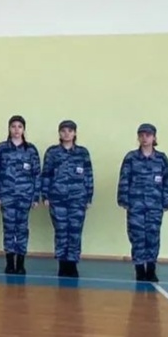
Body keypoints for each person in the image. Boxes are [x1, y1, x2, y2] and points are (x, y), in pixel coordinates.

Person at [118, 123, 168, 282]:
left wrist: (166, 202)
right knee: (137, 237)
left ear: (154, 137)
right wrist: (123, 199)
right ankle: (139, 269)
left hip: (155, 206)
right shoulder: (131, 158)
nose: (144, 138)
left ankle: (151, 268)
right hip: (135, 205)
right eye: (141, 135)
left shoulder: (161, 159)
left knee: (153, 237)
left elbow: (167, 182)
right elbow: (124, 180)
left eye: (148, 135)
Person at [41, 119, 94, 278]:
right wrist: (45, 195)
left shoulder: (82, 153)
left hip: (78, 199)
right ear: (59, 133)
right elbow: (46, 174)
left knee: (75, 232)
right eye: (63, 131)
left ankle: (72, 263)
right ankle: (62, 264)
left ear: (75, 133)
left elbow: (88, 176)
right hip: (57, 199)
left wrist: (89, 197)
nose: (66, 134)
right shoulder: (52, 152)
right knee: (61, 231)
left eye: (70, 131)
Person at [0, 115, 41, 275]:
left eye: (19, 126)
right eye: (13, 126)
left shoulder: (31, 150)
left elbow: (37, 175)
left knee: (22, 229)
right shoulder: (1, 149)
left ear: (24, 129)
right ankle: (9, 262)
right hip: (6, 196)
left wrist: (35, 197)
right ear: (9, 128)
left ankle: (20, 263)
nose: (16, 130)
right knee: (8, 229)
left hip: (25, 196)